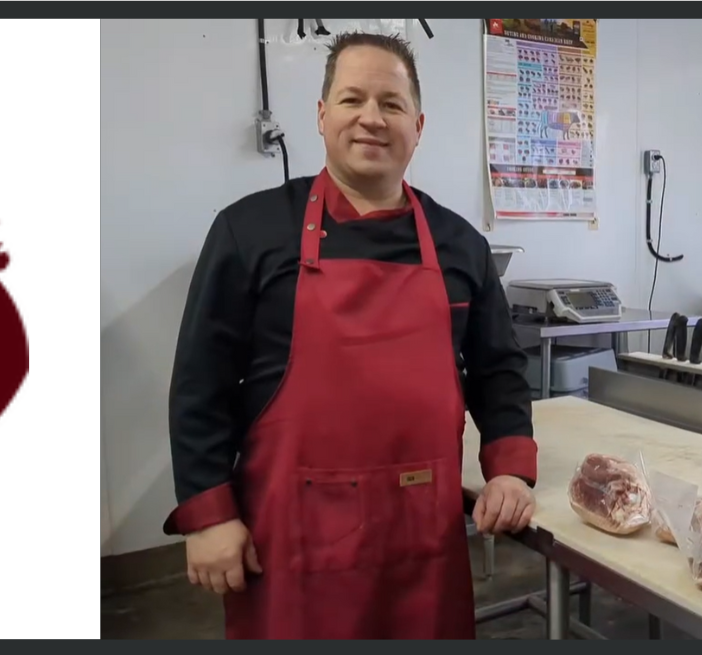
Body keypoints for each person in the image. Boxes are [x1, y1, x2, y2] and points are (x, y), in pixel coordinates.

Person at [163, 33, 538, 640]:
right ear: (321, 115)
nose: (371, 118)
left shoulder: (460, 245)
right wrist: (208, 517)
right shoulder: (249, 230)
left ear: (417, 124)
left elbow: (498, 369)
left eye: (391, 104)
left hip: (422, 538)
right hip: (290, 541)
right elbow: (199, 384)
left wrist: (510, 470)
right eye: (352, 99)